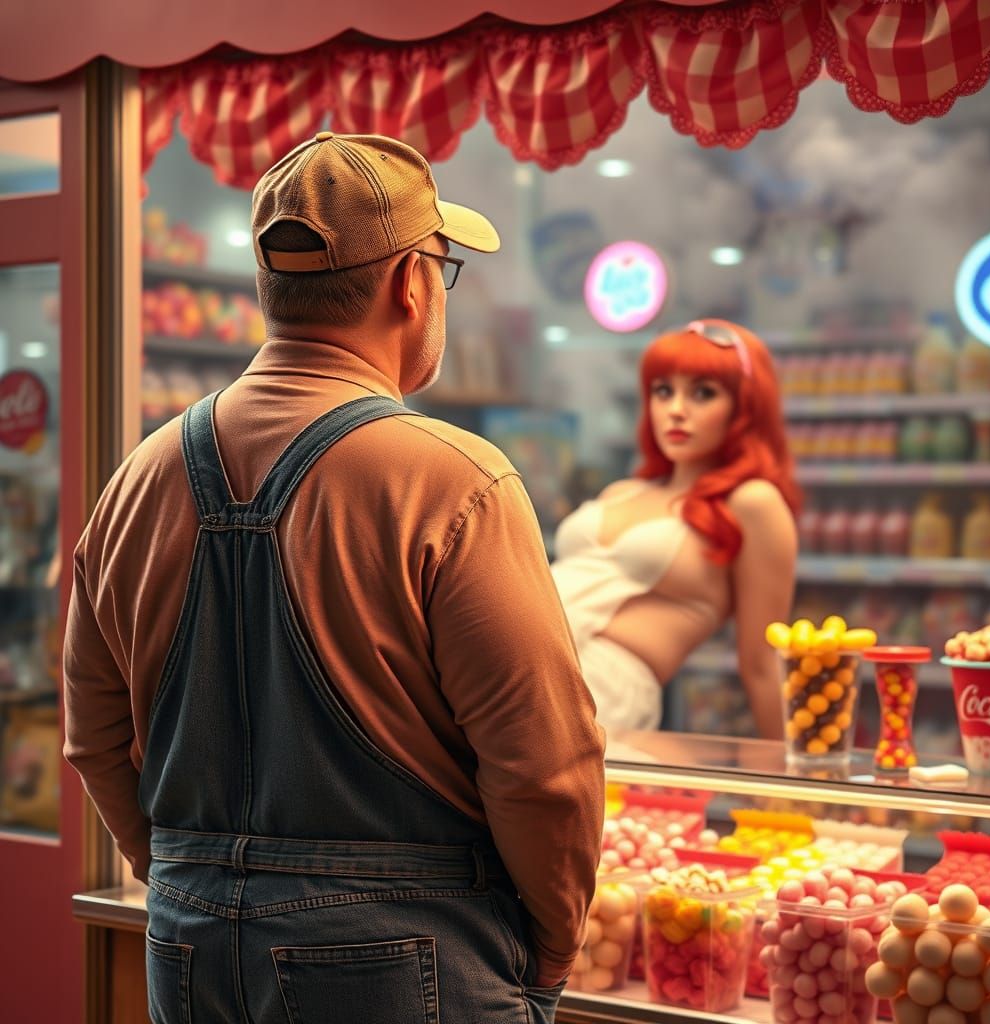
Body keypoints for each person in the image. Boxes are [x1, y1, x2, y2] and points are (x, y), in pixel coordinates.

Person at [63, 132, 605, 1024]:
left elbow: (93, 738)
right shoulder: (453, 481)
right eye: (445, 269)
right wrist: (548, 949)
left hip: (187, 949)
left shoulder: (135, 481)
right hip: (409, 954)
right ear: (412, 284)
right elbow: (543, 769)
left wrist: (190, 876)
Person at [550, 319, 801, 738]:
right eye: (663, 391)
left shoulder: (752, 502)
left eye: (703, 393)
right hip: (515, 654)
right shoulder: (623, 491)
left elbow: (762, 664)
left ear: (744, 406)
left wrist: (791, 772)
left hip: (598, 688)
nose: (676, 409)